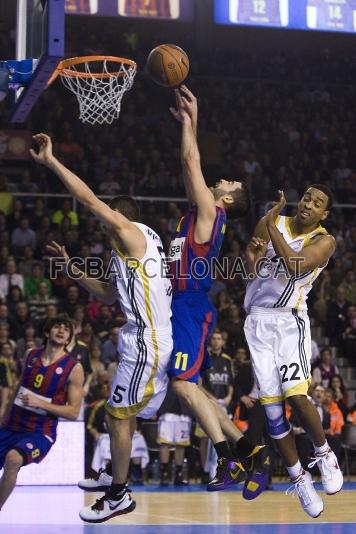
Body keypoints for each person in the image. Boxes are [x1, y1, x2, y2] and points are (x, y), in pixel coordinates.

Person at [31, 133, 173, 523]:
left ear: (120, 216)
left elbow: (88, 199)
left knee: (115, 415)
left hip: (146, 338)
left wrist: (52, 162)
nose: (101, 224)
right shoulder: (130, 252)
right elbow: (109, 296)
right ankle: (117, 473)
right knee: (123, 415)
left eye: (108, 217)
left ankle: (118, 494)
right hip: (148, 336)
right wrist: (72, 266)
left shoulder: (131, 233)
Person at [167, 86, 270, 499]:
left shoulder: (212, 211)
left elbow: (190, 160)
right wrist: (188, 125)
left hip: (190, 304)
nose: (220, 178)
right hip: (183, 303)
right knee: (197, 390)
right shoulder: (202, 212)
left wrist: (193, 120)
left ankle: (227, 455)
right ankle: (252, 452)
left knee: (182, 387)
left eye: (227, 181)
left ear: (226, 197)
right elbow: (187, 163)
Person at [244, 184, 343, 518]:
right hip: (257, 322)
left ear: (324, 214)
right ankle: (299, 478)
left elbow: (296, 267)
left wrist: (272, 225)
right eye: (307, 198)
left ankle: (325, 453)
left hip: (290, 323)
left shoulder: (324, 240)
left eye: (317, 204)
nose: (309, 205)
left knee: (297, 396)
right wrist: (252, 260)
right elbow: (251, 270)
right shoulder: (269, 221)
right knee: (272, 413)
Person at [0, 313, 84, 511]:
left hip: (40, 433)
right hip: (11, 425)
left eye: (66, 328)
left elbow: (73, 412)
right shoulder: (31, 354)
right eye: (57, 326)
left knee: (13, 458)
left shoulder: (73, 368)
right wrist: (4, 415)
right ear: (47, 332)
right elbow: (19, 386)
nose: (62, 329)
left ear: (69, 338)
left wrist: (41, 403)